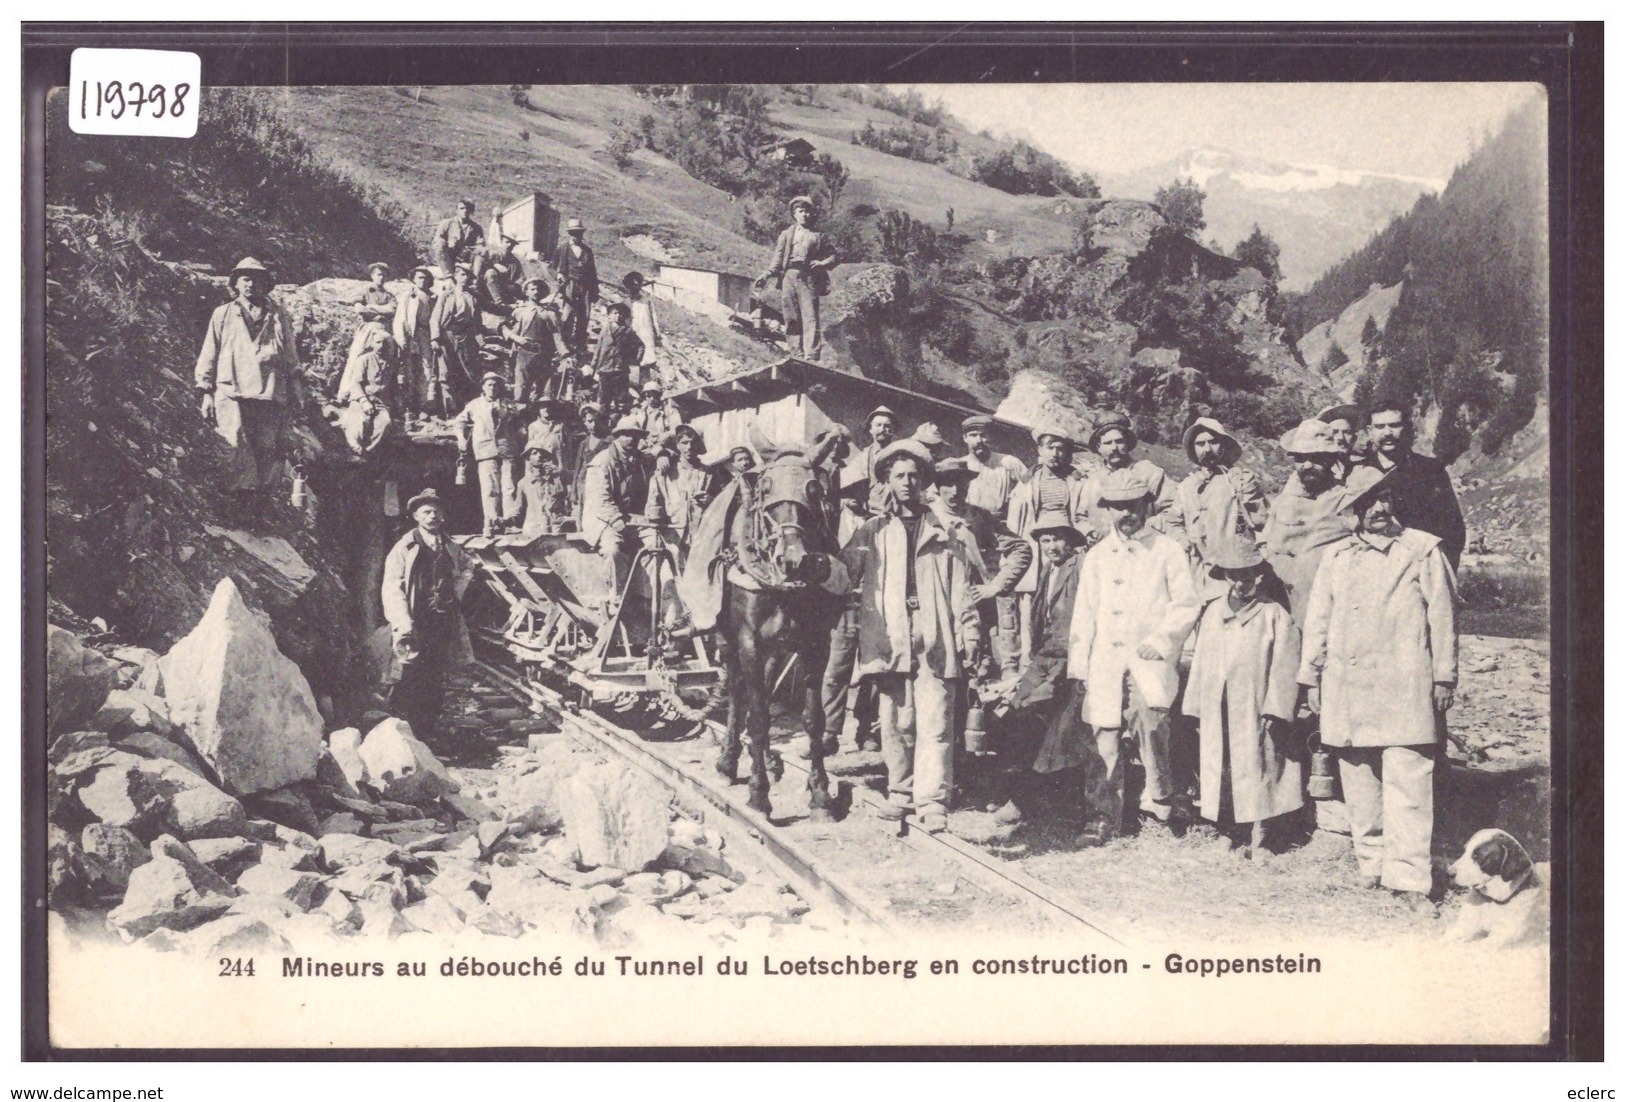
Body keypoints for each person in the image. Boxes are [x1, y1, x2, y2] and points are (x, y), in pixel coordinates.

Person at [1298, 466, 1458, 910]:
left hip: (1405, 684)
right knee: (1359, 778)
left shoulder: (1423, 550)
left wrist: (1444, 675)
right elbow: (1319, 620)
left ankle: (1407, 879)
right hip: (1348, 684)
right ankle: (1371, 864)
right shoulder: (1337, 557)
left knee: (1408, 780)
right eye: (1368, 504)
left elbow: (1444, 618)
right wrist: (1311, 675)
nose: (1379, 510)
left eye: (1385, 500)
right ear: (1352, 512)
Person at [809, 441, 981, 833]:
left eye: (914, 475)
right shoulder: (873, 532)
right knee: (896, 720)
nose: (907, 482)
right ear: (887, 480)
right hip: (890, 637)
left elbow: (961, 590)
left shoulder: (944, 531)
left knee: (936, 720)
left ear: (924, 481)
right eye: (899, 475)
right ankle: (901, 791)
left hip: (933, 633)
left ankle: (932, 800)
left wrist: (968, 634)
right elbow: (843, 576)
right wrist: (820, 566)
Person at [1065, 468, 1201, 845]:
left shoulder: (1167, 550)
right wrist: (1079, 666)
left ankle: (1160, 802)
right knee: (1102, 735)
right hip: (1105, 662)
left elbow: (1187, 605)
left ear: (1148, 506)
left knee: (1152, 721)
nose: (1127, 514)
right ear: (1108, 510)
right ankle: (1102, 817)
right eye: (1118, 507)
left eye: (1134, 506)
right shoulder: (1097, 556)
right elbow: (1084, 614)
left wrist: (1161, 640)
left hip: (1149, 660)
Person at [1183, 540, 1303, 857]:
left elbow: (1285, 667)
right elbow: (1200, 660)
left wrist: (1276, 709)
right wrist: (1195, 706)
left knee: (1259, 766)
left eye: (1247, 576)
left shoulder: (1274, 615)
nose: (1240, 583)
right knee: (1222, 767)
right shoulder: (1212, 613)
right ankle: (1228, 830)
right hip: (1217, 706)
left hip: (1254, 706)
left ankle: (1261, 836)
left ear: (1259, 576)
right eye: (1233, 576)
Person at [991, 510, 1088, 827]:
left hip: (1069, 658)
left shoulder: (1082, 567)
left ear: (1071, 540)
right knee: (1016, 714)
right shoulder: (1048, 569)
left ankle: (1033, 802)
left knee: (1048, 724)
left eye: (1058, 538)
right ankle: (1021, 797)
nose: (1052, 546)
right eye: (1045, 540)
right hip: (1045, 657)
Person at [194, 257, 305, 515]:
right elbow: (210, 351)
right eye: (245, 279)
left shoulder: (279, 316)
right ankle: (238, 504)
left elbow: (290, 354)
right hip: (231, 389)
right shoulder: (222, 314)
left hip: (269, 390)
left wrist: (296, 389)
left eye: (256, 279)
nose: (250, 284)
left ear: (266, 284)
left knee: (267, 447)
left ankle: (260, 506)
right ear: (236, 283)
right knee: (235, 443)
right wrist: (206, 391)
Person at [381, 489, 474, 742]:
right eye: (426, 512)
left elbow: (468, 566)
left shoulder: (451, 547)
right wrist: (402, 621)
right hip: (415, 621)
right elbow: (392, 587)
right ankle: (407, 732)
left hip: (441, 621)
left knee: (435, 675)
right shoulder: (404, 547)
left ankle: (428, 731)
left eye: (436, 511)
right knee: (410, 675)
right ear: (415, 516)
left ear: (442, 516)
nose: (432, 516)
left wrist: (456, 590)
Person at [931, 458, 1033, 682]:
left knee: (983, 672)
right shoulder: (927, 519)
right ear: (937, 487)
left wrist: (996, 585)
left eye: (961, 483)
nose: (955, 490)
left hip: (976, 605)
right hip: (939, 603)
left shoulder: (981, 518)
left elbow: (1021, 549)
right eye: (948, 484)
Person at [1260, 418, 1355, 626]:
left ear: (1330, 459)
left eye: (1316, 458)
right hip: (1279, 602)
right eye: (1301, 459)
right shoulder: (1283, 500)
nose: (1308, 465)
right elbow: (1264, 542)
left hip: (1323, 606)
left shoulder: (1345, 500)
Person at [1360, 400, 1467, 571]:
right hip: (1373, 570)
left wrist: (1440, 572)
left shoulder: (1431, 470)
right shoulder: (1359, 471)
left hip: (1420, 566)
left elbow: (1453, 528)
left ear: (1407, 429)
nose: (1387, 432)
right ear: (1369, 431)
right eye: (1380, 427)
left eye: (1394, 425)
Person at [819, 466, 879, 754]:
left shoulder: (875, 524)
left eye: (861, 490)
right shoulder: (830, 524)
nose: (856, 497)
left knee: (872, 670)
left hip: (869, 604)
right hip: (837, 603)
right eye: (851, 492)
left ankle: (865, 730)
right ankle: (829, 732)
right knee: (836, 667)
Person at [1171, 417, 1269, 585]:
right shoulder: (1186, 486)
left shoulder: (1240, 480)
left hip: (1235, 572)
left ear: (1223, 445)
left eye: (1213, 442)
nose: (1207, 449)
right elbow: (1172, 521)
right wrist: (1182, 540)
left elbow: (1262, 523)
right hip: (1198, 573)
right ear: (1193, 449)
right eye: (1200, 444)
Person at [757, 195, 838, 361]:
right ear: (794, 214)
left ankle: (811, 355)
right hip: (789, 277)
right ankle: (796, 354)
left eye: (807, 211)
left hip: (808, 277)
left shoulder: (818, 235)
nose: (804, 215)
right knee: (791, 316)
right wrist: (766, 275)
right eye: (801, 211)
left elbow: (834, 256)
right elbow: (777, 261)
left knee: (810, 317)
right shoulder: (786, 235)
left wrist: (822, 263)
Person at [580, 414, 651, 597]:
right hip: (602, 519)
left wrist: (666, 454)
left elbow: (663, 454)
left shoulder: (638, 459)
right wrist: (617, 519)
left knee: (656, 542)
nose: (632, 439)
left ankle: (650, 595)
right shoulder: (602, 462)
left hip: (629, 518)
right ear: (617, 436)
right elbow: (599, 498)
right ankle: (616, 595)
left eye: (636, 435)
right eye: (627, 434)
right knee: (613, 549)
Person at [1078, 411, 1174, 542]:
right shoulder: (1092, 481)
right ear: (1099, 447)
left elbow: (1172, 510)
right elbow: (1080, 517)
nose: (1114, 448)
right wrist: (1089, 532)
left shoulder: (1149, 472)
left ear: (1127, 443)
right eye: (1108, 443)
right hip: (1106, 551)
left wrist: (1148, 528)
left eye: (1119, 441)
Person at [455, 372, 525, 536]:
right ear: (483, 387)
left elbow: (520, 423)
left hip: (507, 449)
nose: (492, 388)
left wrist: (521, 437)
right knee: (490, 488)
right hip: (485, 450)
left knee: (509, 487)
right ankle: (492, 523)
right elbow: (459, 422)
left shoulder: (508, 404)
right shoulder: (475, 404)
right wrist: (461, 439)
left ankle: (509, 522)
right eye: (489, 385)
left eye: (495, 385)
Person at [644, 424, 719, 556]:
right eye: (684, 443)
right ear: (677, 445)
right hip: (670, 535)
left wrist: (710, 501)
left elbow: (720, 503)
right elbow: (653, 503)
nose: (689, 447)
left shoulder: (708, 473)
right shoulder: (665, 471)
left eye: (693, 443)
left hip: (699, 535)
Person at [501, 276, 571, 405]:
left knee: (543, 390)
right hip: (523, 353)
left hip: (544, 354)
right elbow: (503, 327)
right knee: (521, 389)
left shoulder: (550, 313)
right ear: (526, 292)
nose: (536, 292)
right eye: (532, 289)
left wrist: (565, 354)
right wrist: (517, 338)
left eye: (539, 289)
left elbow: (557, 335)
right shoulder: (519, 311)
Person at [334, 320, 397, 454]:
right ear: (372, 343)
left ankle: (368, 452)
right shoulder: (364, 360)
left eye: (384, 343)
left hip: (381, 403)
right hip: (361, 398)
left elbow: (394, 388)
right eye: (378, 342)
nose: (381, 346)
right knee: (359, 421)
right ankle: (354, 449)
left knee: (385, 423)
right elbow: (356, 383)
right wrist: (364, 401)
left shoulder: (391, 364)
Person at [431, 263, 483, 410]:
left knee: (469, 372)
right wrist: (435, 338)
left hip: (466, 336)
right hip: (447, 336)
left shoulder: (473, 296)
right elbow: (435, 318)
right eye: (461, 274)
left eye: (467, 275)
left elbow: (478, 320)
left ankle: (470, 409)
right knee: (445, 374)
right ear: (455, 276)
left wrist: (480, 340)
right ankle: (450, 411)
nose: (464, 278)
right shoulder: (447, 295)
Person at [392, 265, 440, 422]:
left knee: (427, 370)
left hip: (426, 335)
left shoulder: (433, 298)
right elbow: (400, 318)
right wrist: (401, 338)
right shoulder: (408, 296)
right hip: (410, 336)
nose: (423, 280)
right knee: (408, 371)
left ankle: (425, 406)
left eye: (425, 278)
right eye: (419, 277)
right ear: (413, 279)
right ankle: (408, 408)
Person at [961, 414, 1028, 517]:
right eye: (973, 435)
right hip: (970, 522)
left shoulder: (1008, 462)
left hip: (1001, 523)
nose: (979, 440)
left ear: (991, 437)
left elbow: (1030, 486)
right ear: (965, 438)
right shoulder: (959, 465)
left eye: (983, 435)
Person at [553, 218, 599, 353]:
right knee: (567, 314)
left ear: (582, 234)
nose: (576, 236)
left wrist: (595, 291)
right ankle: (564, 344)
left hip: (585, 286)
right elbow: (551, 267)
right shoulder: (562, 248)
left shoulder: (587, 250)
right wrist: (558, 275)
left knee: (584, 315)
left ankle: (580, 344)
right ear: (569, 233)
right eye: (573, 233)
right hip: (569, 285)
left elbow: (593, 271)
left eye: (578, 233)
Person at [588, 301, 644, 412]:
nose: (618, 316)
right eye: (615, 313)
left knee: (621, 397)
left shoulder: (628, 332)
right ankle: (603, 420)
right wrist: (593, 365)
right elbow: (598, 349)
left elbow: (640, 345)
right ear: (609, 316)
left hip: (621, 370)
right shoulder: (604, 331)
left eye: (620, 314)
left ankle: (620, 419)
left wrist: (635, 360)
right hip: (605, 369)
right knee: (604, 398)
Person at [514, 444, 572, 537]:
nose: (539, 455)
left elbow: (567, 490)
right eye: (534, 453)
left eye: (542, 453)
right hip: (534, 527)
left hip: (555, 528)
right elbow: (518, 508)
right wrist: (506, 519)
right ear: (528, 458)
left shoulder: (556, 479)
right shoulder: (524, 483)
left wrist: (555, 473)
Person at [622, 272, 663, 388]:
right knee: (633, 360)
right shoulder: (626, 302)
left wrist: (657, 334)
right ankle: (633, 386)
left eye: (637, 286)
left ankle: (647, 387)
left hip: (646, 334)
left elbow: (653, 317)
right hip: (631, 336)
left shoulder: (647, 301)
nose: (635, 290)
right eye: (632, 287)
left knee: (647, 361)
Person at [434, 198, 486, 279]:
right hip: (450, 257)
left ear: (471, 210)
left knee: (482, 251)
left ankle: (475, 280)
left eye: (467, 208)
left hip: (467, 258)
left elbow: (480, 245)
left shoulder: (476, 227)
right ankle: (448, 276)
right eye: (462, 208)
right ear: (456, 210)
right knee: (440, 243)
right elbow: (437, 240)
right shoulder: (446, 223)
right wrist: (448, 243)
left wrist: (469, 249)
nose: (465, 211)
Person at [476, 234, 525, 319]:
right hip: (487, 288)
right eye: (507, 242)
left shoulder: (515, 261)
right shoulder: (491, 254)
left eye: (512, 244)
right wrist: (494, 266)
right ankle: (499, 304)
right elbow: (480, 267)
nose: (510, 245)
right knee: (490, 272)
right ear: (502, 242)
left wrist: (515, 287)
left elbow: (520, 279)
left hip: (506, 289)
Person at [631, 379, 683, 452]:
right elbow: (634, 429)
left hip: (665, 446)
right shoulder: (641, 412)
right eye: (647, 396)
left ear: (658, 395)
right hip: (645, 446)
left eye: (653, 394)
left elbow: (678, 428)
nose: (650, 398)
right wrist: (640, 439)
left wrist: (667, 435)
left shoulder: (670, 411)